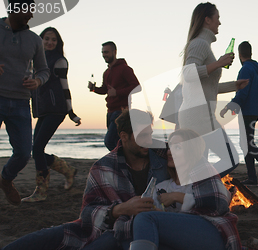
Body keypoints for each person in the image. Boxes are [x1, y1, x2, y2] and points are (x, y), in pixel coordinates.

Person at [2, 109, 169, 250]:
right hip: (107, 225)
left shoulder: (164, 157)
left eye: (150, 134)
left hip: (130, 232)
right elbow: (88, 213)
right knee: (41, 238)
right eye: (142, 135)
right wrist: (120, 209)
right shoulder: (103, 167)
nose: (148, 140)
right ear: (124, 136)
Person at [129, 129, 240, 250]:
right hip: (184, 237)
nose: (169, 152)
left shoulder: (204, 175)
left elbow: (220, 203)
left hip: (213, 233)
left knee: (145, 219)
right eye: (170, 147)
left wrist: (177, 197)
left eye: (177, 148)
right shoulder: (161, 187)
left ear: (191, 151)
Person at [179, 2, 248, 177]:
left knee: (199, 164)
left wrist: (234, 85)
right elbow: (187, 74)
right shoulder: (200, 44)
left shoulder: (202, 44)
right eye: (217, 18)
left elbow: (206, 87)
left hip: (197, 115)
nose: (220, 22)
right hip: (199, 116)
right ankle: (201, 184)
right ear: (207, 20)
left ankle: (196, 190)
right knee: (231, 158)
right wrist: (218, 63)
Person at [0, 0, 50, 206]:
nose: (31, 15)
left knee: (23, 154)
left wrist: (37, 81)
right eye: (28, 11)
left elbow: (44, 70)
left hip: (21, 102)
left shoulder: (35, 40)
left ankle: (5, 180)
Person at [22, 27, 81, 203]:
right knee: (36, 150)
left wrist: (71, 112)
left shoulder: (59, 61)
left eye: (53, 40)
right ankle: (67, 170)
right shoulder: (35, 61)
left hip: (57, 109)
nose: (50, 42)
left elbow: (65, 87)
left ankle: (41, 191)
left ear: (58, 43)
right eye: (46, 39)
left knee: (38, 148)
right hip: (43, 110)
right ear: (40, 41)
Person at [220, 41, 258, 189]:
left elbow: (242, 94)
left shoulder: (245, 70)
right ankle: (252, 177)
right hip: (253, 111)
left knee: (248, 144)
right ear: (250, 53)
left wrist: (228, 107)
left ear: (240, 54)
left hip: (247, 111)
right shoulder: (255, 69)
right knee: (246, 144)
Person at [88, 41, 140, 151]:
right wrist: (94, 89)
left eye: (106, 52)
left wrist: (117, 92)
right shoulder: (106, 72)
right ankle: (123, 164)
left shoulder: (125, 69)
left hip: (121, 111)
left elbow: (137, 87)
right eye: (102, 52)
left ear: (114, 52)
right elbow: (105, 90)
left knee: (110, 141)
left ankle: (123, 162)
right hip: (110, 111)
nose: (104, 55)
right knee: (117, 143)